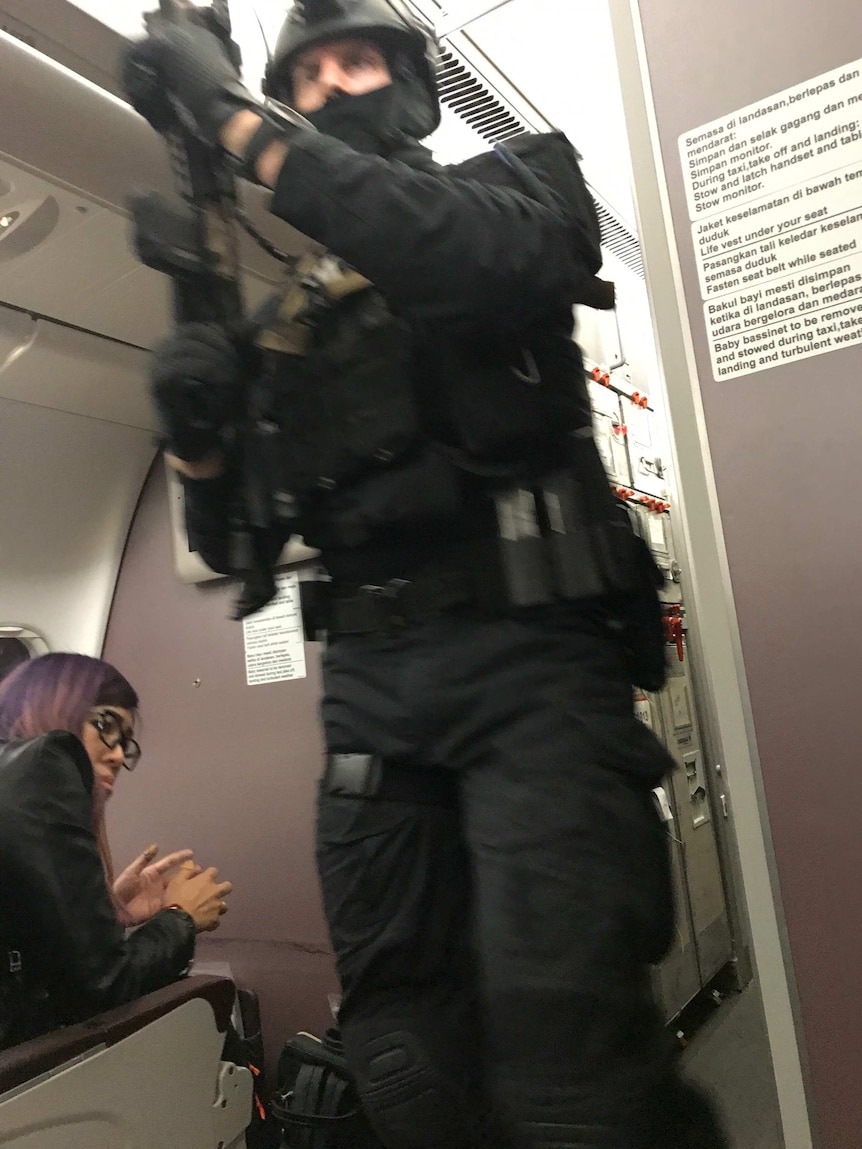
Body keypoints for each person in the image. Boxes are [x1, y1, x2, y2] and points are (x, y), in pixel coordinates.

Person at [120, 3, 728, 1146]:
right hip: (373, 695)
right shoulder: (296, 322)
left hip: (534, 673)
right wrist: (197, 427)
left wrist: (229, 114)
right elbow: (239, 537)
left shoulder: (520, 186)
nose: (333, 87)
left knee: (572, 1066)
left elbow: (459, 248)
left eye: (359, 62)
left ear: (410, 87)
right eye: (306, 75)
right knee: (404, 1060)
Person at [0, 653, 232, 1049]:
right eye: (104, 725)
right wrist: (181, 918)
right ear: (47, 707)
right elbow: (103, 989)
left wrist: (107, 910)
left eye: (126, 741)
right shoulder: (45, 764)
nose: (119, 755)